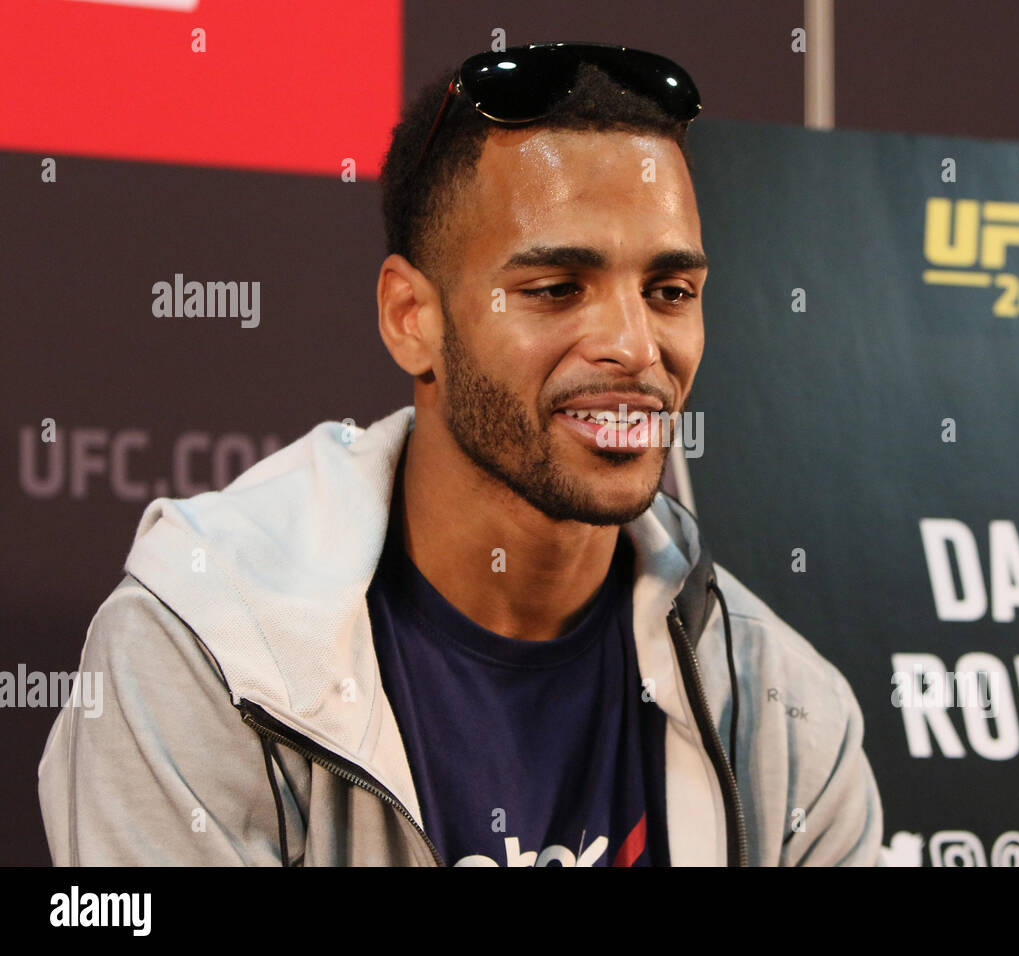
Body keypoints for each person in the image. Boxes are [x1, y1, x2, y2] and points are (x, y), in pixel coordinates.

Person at [37, 42, 882, 866]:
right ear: (413, 317)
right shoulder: (203, 648)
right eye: (556, 290)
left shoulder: (787, 711)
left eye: (669, 293)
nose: (634, 345)